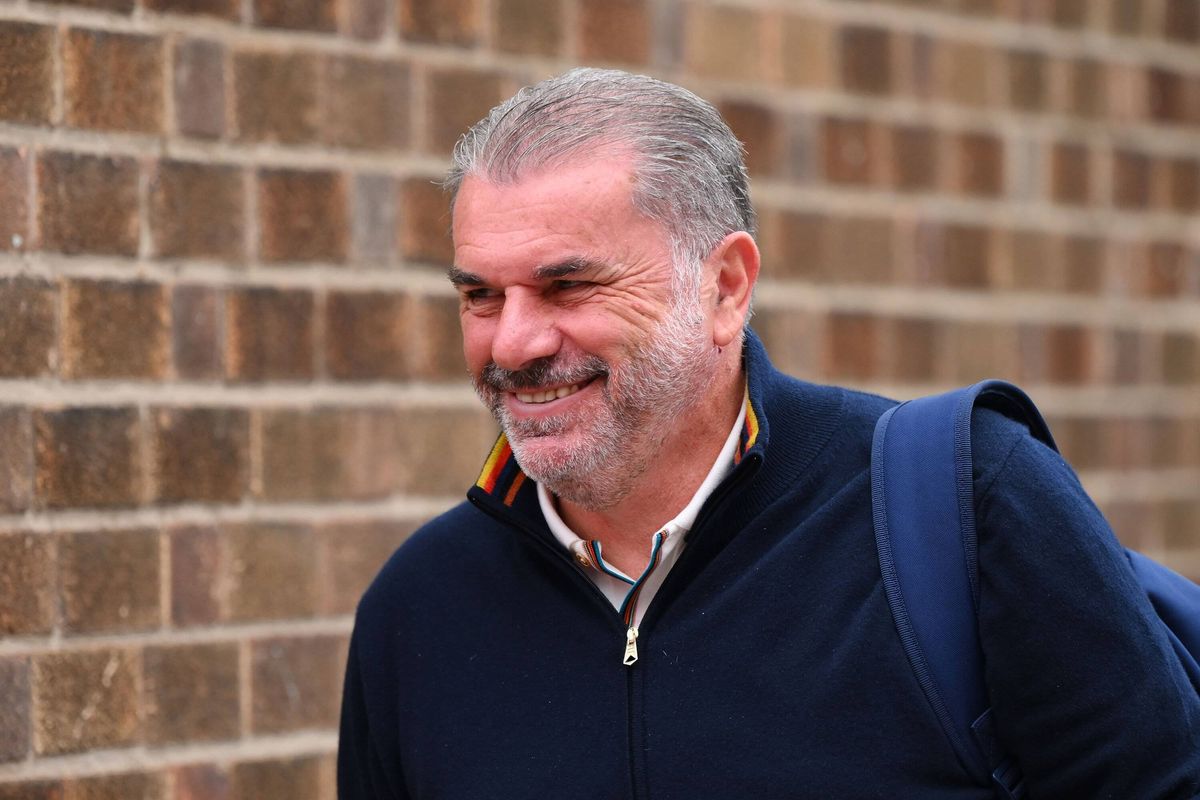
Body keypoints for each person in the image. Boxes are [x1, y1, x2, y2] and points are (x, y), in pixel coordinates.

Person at [338, 68, 1200, 799]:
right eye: (480, 296)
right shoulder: (416, 611)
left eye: (568, 288)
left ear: (724, 287)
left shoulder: (974, 510)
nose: (513, 343)